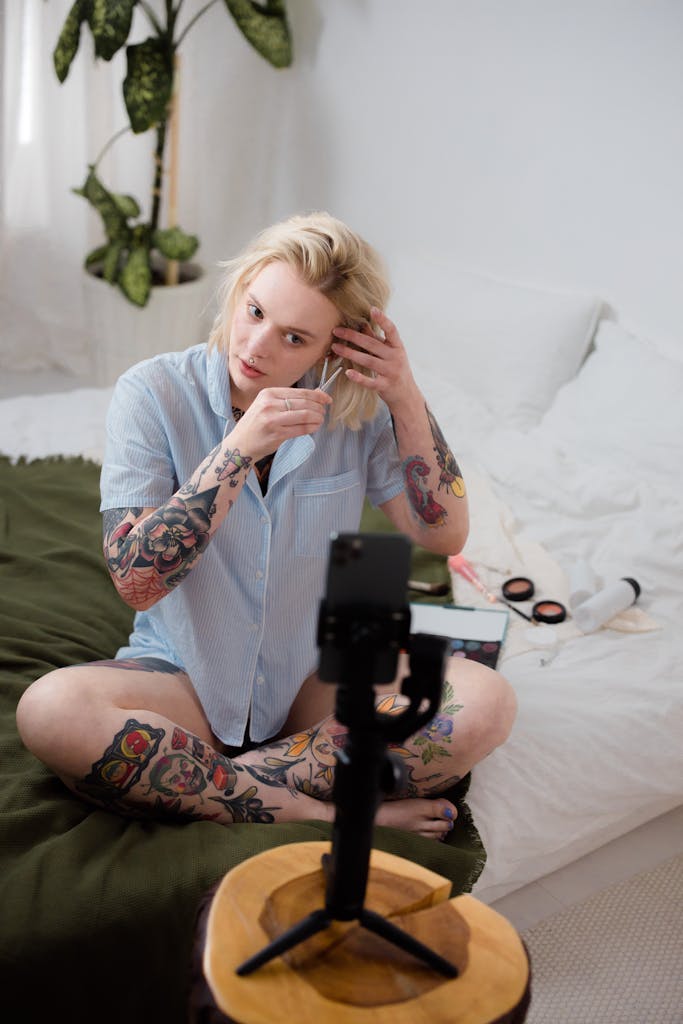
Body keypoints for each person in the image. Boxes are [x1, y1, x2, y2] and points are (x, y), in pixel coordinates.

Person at [16, 212, 516, 840]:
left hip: (311, 680)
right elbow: (136, 582)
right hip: (184, 681)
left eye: (294, 338)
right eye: (255, 313)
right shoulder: (151, 393)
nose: (256, 348)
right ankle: (318, 812)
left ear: (336, 346)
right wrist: (237, 450)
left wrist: (405, 395)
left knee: (485, 702)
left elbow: (443, 536)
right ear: (240, 287)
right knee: (50, 710)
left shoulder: (354, 415)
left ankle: (225, 787)